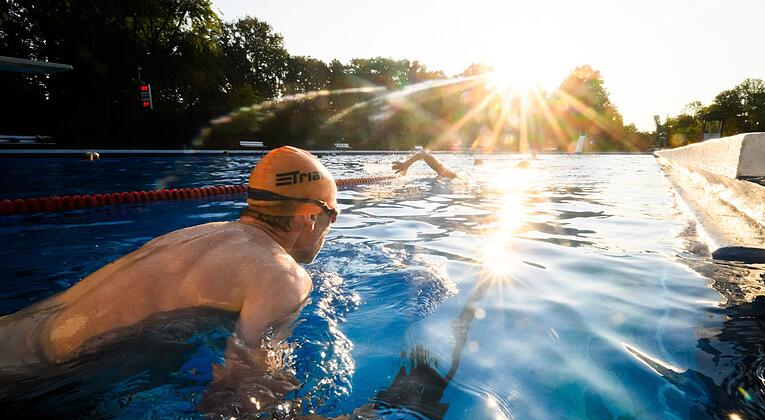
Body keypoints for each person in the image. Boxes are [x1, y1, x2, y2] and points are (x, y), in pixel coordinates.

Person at [0, 146, 338, 374]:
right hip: (31, 379)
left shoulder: (194, 234)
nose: (330, 227)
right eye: (333, 215)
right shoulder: (280, 274)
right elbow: (239, 413)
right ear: (309, 215)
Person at [392, 150, 458, 178]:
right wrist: (406, 164)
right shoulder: (449, 173)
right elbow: (422, 154)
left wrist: (406, 165)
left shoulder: (450, 175)